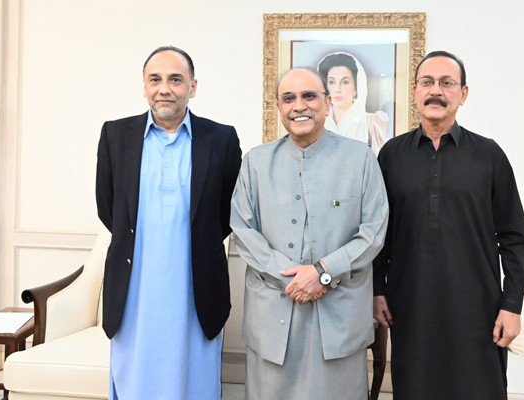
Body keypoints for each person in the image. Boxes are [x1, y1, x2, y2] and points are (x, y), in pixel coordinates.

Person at [373, 51, 524, 399]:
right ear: (415, 91)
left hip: (478, 309)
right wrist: (376, 289)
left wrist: (512, 305)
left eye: (447, 83)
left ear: (463, 93)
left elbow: (515, 238)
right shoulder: (391, 156)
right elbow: (378, 232)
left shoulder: (489, 155)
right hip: (410, 305)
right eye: (427, 82)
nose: (436, 91)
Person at [230, 67, 389, 400]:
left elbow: (374, 231)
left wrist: (323, 273)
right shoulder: (256, 163)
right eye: (289, 98)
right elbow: (243, 231)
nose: (298, 106)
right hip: (273, 315)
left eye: (309, 96)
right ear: (279, 106)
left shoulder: (360, 158)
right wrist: (291, 277)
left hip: (339, 315)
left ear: (328, 103)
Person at [95, 45, 242, 399]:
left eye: (176, 79)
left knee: (194, 380)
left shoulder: (221, 138)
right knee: (136, 379)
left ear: (193, 87)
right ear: (144, 86)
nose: (165, 89)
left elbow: (229, 212)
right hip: (135, 289)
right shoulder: (116, 135)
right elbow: (108, 207)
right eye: (155, 79)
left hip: (195, 288)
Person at [318, 52, 389, 155]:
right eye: (332, 82)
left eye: (345, 82)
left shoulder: (372, 122)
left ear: (356, 87)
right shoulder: (319, 121)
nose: (338, 89)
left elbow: (380, 160)